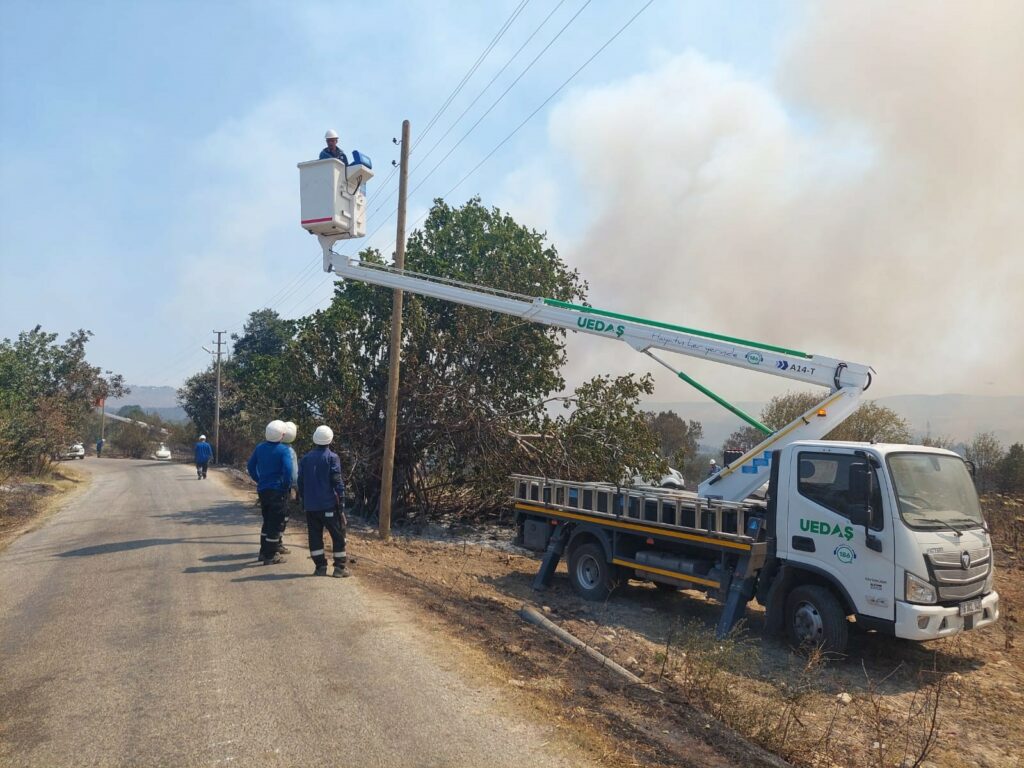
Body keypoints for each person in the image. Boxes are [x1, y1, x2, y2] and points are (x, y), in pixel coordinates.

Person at [298, 425, 350, 578]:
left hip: (311, 506)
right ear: (330, 440)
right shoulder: (332, 457)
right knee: (338, 534)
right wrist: (342, 501)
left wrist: (304, 498)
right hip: (328, 505)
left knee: (314, 536)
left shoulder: (306, 458)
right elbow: (337, 481)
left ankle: (320, 567)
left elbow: (300, 481)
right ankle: (339, 568)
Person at [246, 420, 295, 565]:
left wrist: (258, 479)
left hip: (263, 490)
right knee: (275, 523)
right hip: (278, 491)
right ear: (281, 435)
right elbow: (288, 471)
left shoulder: (260, 447)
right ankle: (270, 555)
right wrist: (286, 486)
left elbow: (250, 466)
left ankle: (263, 552)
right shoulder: (284, 450)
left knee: (267, 521)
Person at [276, 421, 300, 555]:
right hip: (284, 488)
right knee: (283, 516)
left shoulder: (271, 446)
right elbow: (294, 474)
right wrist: (296, 488)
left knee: (271, 517)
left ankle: (270, 544)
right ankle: (277, 542)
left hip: (269, 488)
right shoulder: (289, 451)